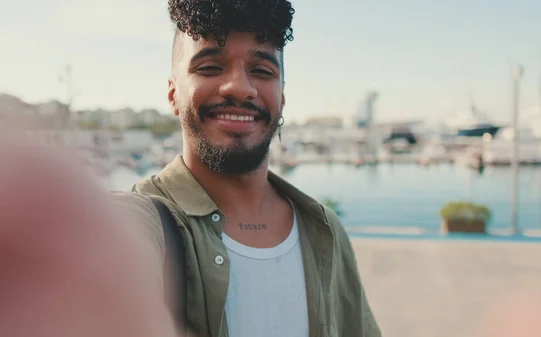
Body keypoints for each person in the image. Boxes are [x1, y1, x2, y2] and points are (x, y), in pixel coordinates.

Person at [124, 0, 382, 336]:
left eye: (262, 71)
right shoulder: (139, 225)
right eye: (210, 67)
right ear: (173, 94)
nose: (241, 88)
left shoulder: (324, 228)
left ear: (282, 97)